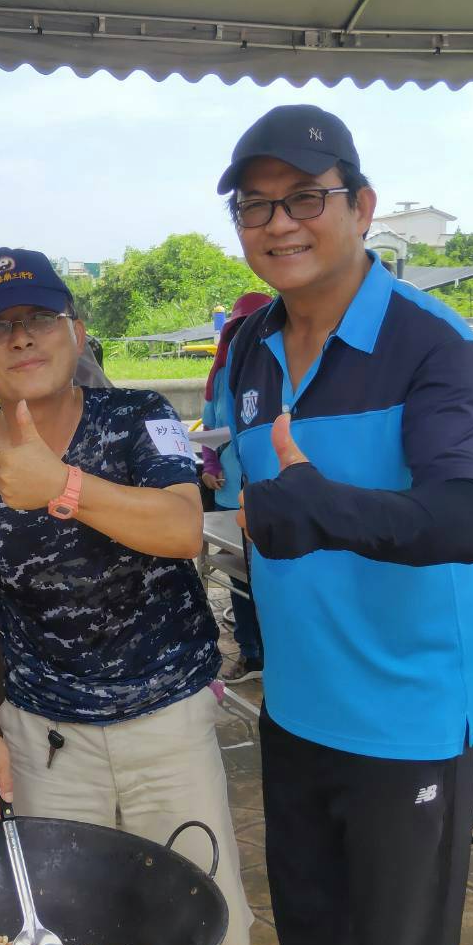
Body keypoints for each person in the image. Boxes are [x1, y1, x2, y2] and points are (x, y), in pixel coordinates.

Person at [215, 104, 473, 945]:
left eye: (305, 198)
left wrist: (318, 506)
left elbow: (459, 520)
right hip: (296, 708)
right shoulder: (249, 349)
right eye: (254, 207)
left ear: (361, 204)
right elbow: (233, 494)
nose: (279, 224)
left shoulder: (432, 344)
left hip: (410, 717)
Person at [0, 248, 253, 945]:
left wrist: (61, 487)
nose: (22, 339)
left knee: (205, 909)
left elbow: (180, 531)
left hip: (165, 719)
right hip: (45, 737)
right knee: (67, 931)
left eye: (38, 318)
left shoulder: (140, 416)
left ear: (75, 330)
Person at [200, 291, 272, 679]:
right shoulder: (223, 373)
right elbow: (210, 424)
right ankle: (251, 652)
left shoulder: (287, 370)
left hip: (276, 493)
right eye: (243, 328)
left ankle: (282, 650)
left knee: (278, 575)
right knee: (239, 573)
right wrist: (210, 463)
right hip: (231, 493)